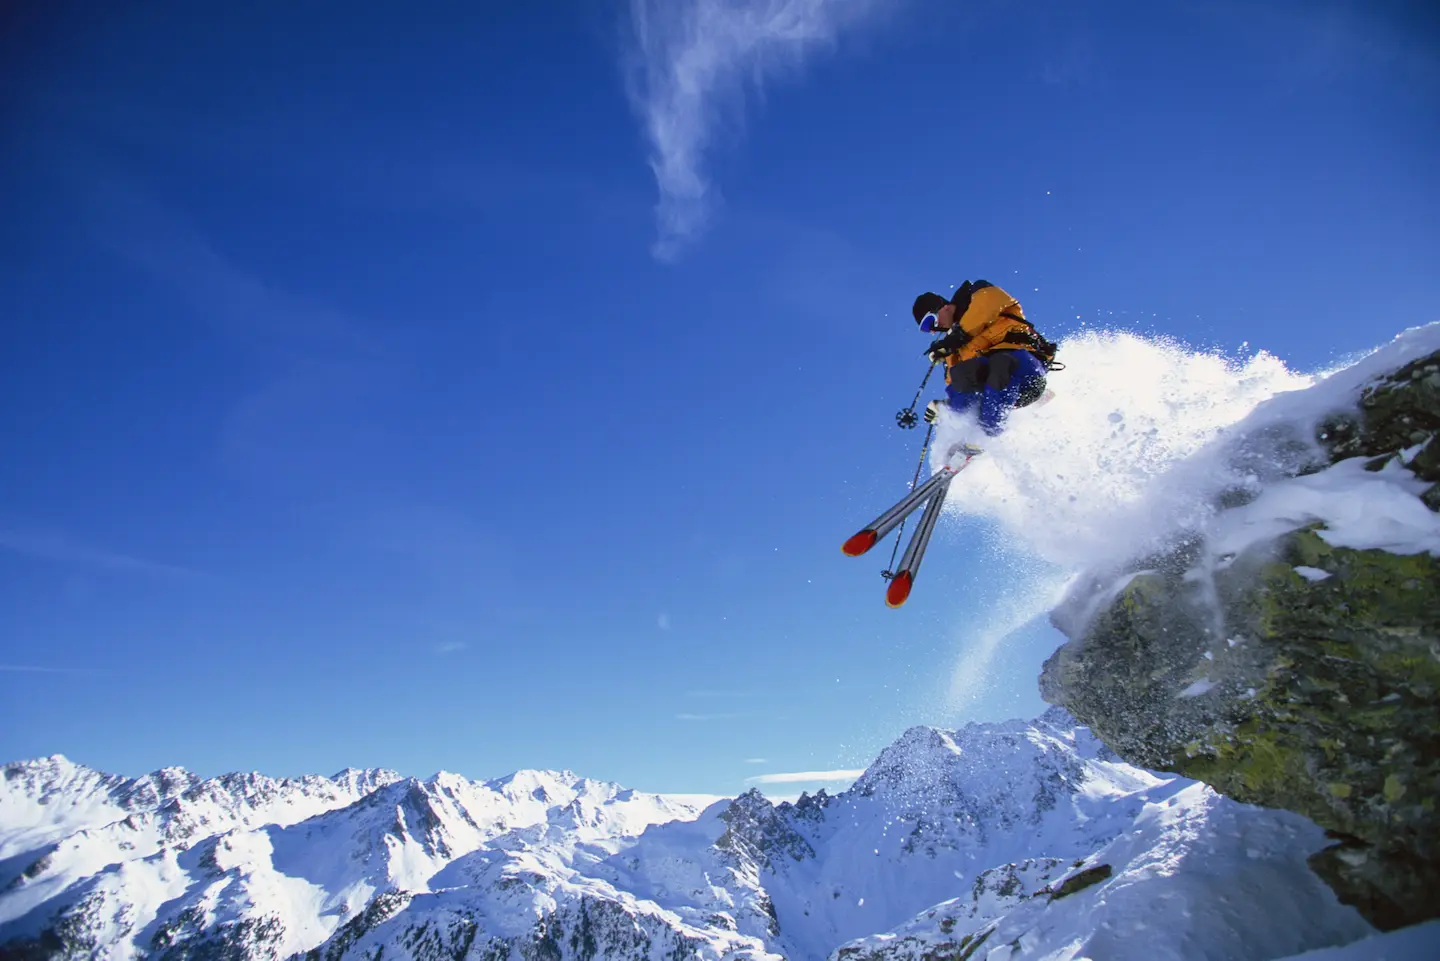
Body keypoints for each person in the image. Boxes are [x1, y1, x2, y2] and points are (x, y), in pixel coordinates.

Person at [911, 279, 1057, 437]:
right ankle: (967, 442)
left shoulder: (976, 294)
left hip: (1026, 371)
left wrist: (955, 338)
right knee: (963, 374)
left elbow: (988, 304)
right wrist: (945, 409)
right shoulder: (952, 350)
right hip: (996, 394)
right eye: (926, 329)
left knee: (1001, 363)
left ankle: (987, 434)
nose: (932, 330)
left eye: (929, 322)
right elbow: (957, 386)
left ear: (943, 307)